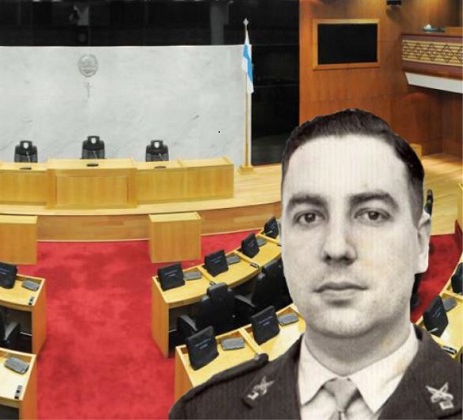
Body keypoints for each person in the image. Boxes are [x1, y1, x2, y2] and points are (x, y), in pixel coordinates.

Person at [169, 109, 461, 419]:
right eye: (309, 217)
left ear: (420, 243)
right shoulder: (202, 412)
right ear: (283, 240)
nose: (336, 247)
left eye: (372, 214)